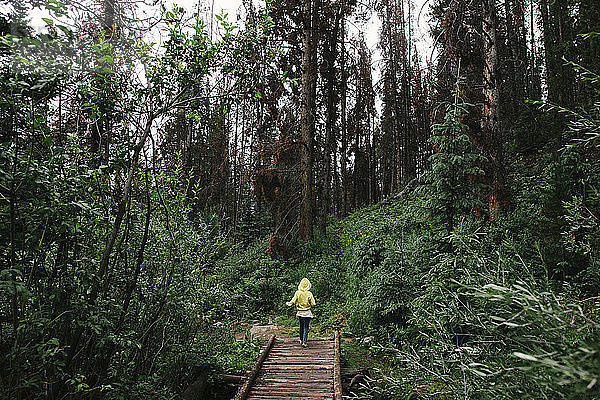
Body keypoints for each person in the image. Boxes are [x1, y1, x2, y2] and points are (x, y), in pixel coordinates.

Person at [286, 278, 316, 348]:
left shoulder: (297, 293)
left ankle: (300, 339)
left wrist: (289, 303)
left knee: (301, 326)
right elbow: (313, 304)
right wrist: (310, 305)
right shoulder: (309, 293)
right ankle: (304, 342)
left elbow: (293, 301)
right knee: (306, 327)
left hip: (300, 313)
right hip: (307, 313)